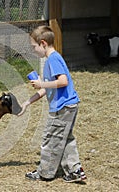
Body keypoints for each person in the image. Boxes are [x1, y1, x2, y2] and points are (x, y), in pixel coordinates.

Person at [18, 25, 86, 183]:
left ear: (43, 43)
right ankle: (74, 170)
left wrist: (42, 84)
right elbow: (46, 90)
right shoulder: (51, 60)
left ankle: (45, 173)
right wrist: (27, 103)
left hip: (62, 108)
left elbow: (63, 81)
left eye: (34, 47)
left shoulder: (53, 59)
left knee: (50, 139)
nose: (33, 50)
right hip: (69, 106)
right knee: (65, 138)